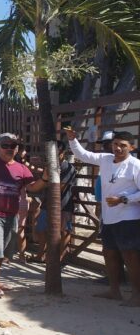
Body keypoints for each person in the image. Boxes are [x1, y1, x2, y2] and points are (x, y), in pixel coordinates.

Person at [66, 127, 140, 307]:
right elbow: (82, 154)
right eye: (115, 144)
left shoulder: (136, 165)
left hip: (128, 217)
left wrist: (123, 199)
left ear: (131, 147)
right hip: (109, 217)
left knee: (130, 255)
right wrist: (72, 139)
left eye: (123, 145)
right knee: (109, 253)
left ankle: (137, 295)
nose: (118, 148)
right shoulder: (105, 159)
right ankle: (114, 291)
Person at [0, 133, 48, 298]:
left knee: (4, 250)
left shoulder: (21, 168)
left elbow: (32, 187)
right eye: (5, 145)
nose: (9, 149)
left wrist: (44, 179)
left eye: (13, 146)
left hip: (11, 214)